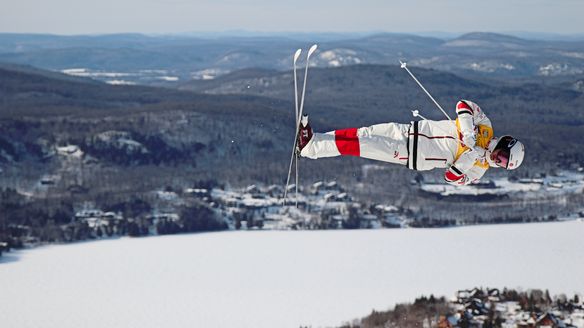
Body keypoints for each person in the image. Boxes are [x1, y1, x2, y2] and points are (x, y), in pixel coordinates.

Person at [296, 100, 524, 186]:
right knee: (360, 133)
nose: (496, 160)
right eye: (502, 155)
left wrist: (467, 158)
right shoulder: (485, 127)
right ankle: (314, 141)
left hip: (412, 154)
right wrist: (468, 134)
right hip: (410, 130)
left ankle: (309, 149)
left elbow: (451, 179)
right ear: (503, 143)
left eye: (501, 163)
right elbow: (464, 105)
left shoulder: (478, 170)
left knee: (362, 144)